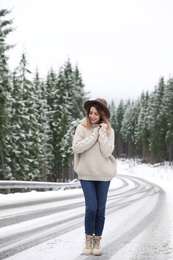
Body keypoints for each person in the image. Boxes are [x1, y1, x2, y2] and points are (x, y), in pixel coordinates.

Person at [72, 98, 117, 256]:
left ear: (102, 114)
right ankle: (88, 240)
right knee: (91, 209)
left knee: (100, 210)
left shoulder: (109, 131)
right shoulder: (81, 128)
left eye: (96, 113)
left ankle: (97, 241)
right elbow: (77, 147)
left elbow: (106, 152)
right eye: (90, 113)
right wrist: (94, 135)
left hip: (103, 176)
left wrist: (102, 133)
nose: (92, 116)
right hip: (86, 174)